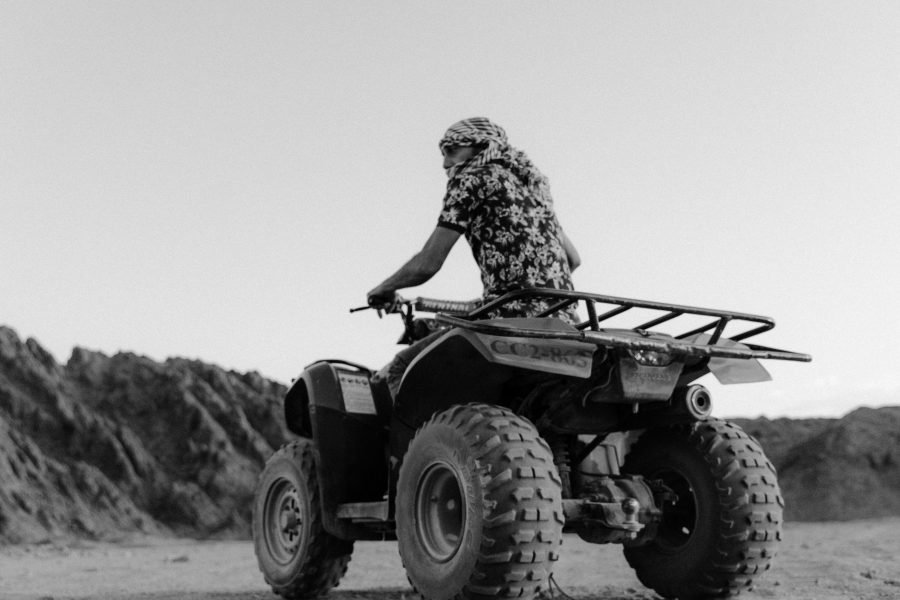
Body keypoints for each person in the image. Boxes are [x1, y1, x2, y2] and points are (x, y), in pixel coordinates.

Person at [367, 117, 580, 397]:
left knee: (400, 369)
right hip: (566, 321)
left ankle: (428, 441)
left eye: (451, 151)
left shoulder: (471, 179)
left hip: (510, 319)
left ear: (481, 147)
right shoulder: (533, 187)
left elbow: (427, 264)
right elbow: (573, 259)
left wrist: (384, 289)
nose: (445, 164)